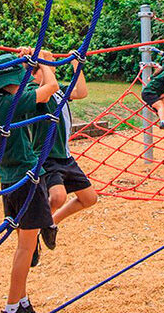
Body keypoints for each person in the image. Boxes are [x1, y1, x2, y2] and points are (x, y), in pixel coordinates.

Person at [0, 50, 59, 313]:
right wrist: (44, 60)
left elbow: (36, 87)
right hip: (26, 181)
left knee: (25, 245)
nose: (22, 82)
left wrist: (28, 61)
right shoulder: (10, 104)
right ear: (8, 83)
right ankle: (12, 307)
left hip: (11, 182)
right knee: (26, 249)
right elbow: (50, 88)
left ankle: (22, 300)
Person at [30, 53, 97, 265]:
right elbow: (47, 89)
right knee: (57, 197)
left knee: (89, 198)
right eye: (49, 63)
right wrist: (42, 60)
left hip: (65, 156)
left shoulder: (57, 90)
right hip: (47, 156)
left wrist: (77, 64)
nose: (54, 65)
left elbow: (81, 92)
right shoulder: (35, 91)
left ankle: (50, 223)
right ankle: (31, 237)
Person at [140, 53, 164, 129]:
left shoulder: (162, 73)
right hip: (149, 93)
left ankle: (156, 108)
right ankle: (163, 122)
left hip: (154, 92)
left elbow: (149, 78)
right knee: (161, 105)